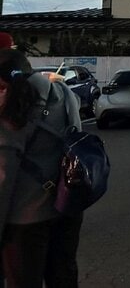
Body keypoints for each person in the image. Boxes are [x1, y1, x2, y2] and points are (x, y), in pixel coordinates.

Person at [0, 49, 84, 287]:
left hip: (25, 218)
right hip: (66, 207)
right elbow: (75, 137)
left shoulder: (10, 107)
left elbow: (4, 175)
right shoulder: (64, 92)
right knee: (64, 277)